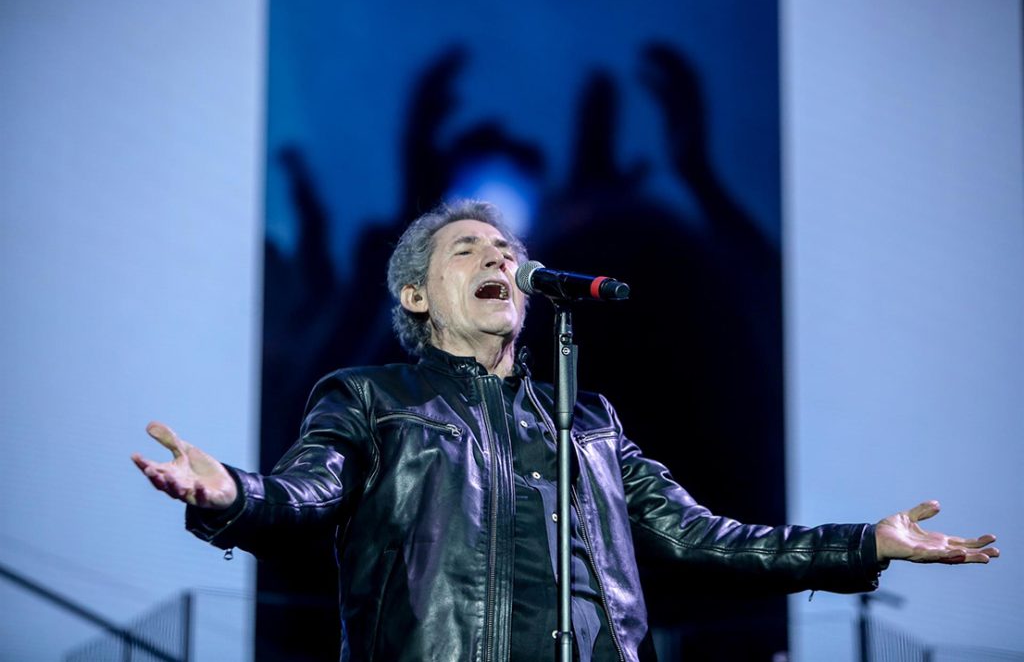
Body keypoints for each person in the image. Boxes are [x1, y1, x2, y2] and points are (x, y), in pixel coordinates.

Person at [132, 200, 999, 662]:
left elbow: (705, 537)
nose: (499, 258)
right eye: (468, 250)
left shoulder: (587, 421)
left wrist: (864, 543)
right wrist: (231, 493)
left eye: (507, 251)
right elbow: (305, 493)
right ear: (416, 296)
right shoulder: (371, 397)